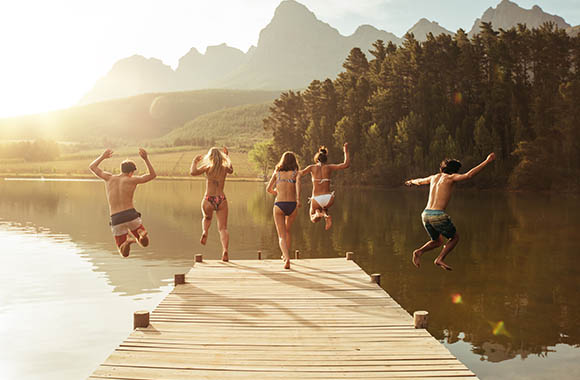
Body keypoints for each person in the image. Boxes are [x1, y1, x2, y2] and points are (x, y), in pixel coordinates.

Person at [405, 153, 496, 271]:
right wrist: (487, 161)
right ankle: (440, 259)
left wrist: (411, 181)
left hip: (425, 214)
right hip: (438, 215)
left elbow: (420, 181)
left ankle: (419, 252)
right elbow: (469, 175)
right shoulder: (451, 178)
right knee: (455, 238)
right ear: (454, 171)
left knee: (437, 241)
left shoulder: (433, 177)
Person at [89, 148, 156, 257]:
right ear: (131, 172)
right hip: (131, 215)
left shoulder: (109, 178)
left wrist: (102, 156)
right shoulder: (132, 180)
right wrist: (146, 159)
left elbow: (92, 167)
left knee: (123, 252)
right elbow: (152, 175)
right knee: (145, 243)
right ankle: (141, 235)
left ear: (122, 169)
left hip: (116, 218)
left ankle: (127, 242)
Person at [190, 147, 233, 262]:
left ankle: (205, 231)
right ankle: (225, 250)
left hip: (209, 198)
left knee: (207, 218)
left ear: (210, 157)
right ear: (221, 157)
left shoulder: (207, 168)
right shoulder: (224, 169)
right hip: (221, 199)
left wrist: (194, 162)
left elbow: (193, 172)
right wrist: (227, 156)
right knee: (223, 228)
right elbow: (231, 170)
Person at [299, 143, 349, 230]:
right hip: (329, 199)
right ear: (325, 159)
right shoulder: (329, 167)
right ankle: (324, 214)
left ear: (317, 159)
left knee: (312, 218)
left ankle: (319, 214)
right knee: (323, 208)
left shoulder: (311, 167)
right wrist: (346, 151)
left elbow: (299, 173)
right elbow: (345, 165)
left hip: (316, 199)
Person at [266, 151, 301, 269]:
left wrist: (277, 192)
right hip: (292, 205)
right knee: (287, 231)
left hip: (279, 204)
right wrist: (298, 199)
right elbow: (297, 188)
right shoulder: (296, 174)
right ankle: (285, 255)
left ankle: (286, 258)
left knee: (281, 235)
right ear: (294, 161)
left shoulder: (277, 173)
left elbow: (268, 189)